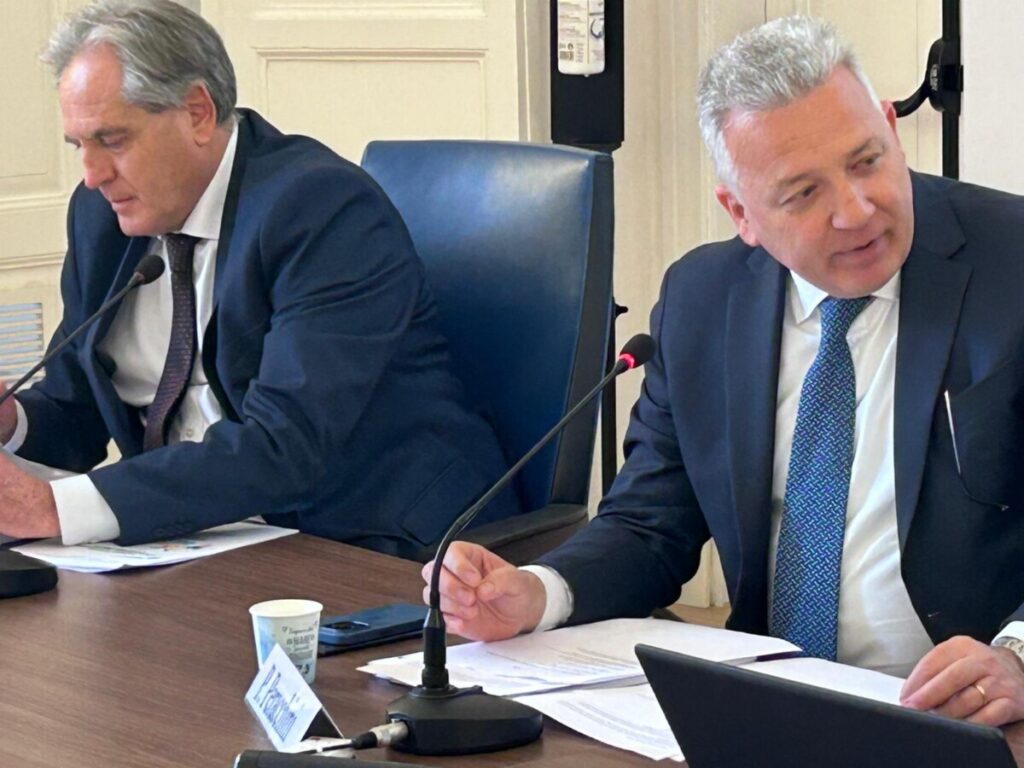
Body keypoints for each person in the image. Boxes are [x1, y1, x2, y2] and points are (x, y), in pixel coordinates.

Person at [425, 16, 1024, 726]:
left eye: (867, 161)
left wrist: (1018, 656)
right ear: (741, 212)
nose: (855, 210)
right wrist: (538, 591)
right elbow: (650, 525)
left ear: (893, 130)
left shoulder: (1012, 263)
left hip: (964, 714)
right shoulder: (702, 300)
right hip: (765, 706)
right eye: (804, 194)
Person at [0, 0, 519, 558]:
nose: (93, 174)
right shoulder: (102, 216)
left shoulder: (321, 209)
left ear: (198, 113)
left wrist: (54, 508)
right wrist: (12, 420)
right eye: (80, 145)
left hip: (369, 543)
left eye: (114, 140)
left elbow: (285, 446)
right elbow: (76, 410)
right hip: (193, 540)